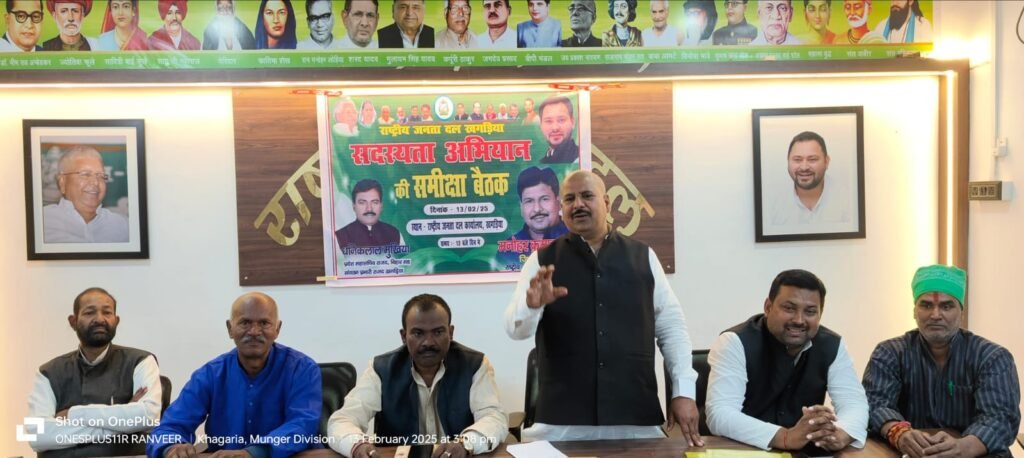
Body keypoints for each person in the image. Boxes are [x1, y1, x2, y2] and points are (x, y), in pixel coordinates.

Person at [504, 170, 703, 445]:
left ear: (606, 202)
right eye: (569, 199)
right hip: (561, 425)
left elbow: (672, 328)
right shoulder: (541, 261)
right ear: (561, 207)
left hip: (635, 420)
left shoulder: (643, 257)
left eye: (587, 196)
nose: (578, 204)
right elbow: (515, 331)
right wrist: (531, 306)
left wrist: (683, 391)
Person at [862, 265, 1021, 458]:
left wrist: (963, 447)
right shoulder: (890, 353)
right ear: (914, 311)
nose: (936, 315)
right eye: (926, 305)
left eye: (946, 306)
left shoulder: (991, 357)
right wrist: (899, 433)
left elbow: (1000, 418)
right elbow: (874, 403)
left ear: (961, 312)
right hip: (912, 454)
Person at [706, 269, 868, 454]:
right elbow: (720, 413)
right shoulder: (735, 342)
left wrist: (840, 433)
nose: (799, 320)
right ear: (768, 307)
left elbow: (854, 403)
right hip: (742, 451)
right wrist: (784, 436)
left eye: (810, 312)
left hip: (803, 453)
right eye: (789, 308)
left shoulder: (832, 345)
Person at [328, 294, 508, 458]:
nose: (428, 342)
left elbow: (494, 418)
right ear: (404, 336)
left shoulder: (474, 365)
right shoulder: (381, 369)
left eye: (438, 332)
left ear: (450, 332)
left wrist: (465, 444)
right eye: (418, 333)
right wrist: (358, 445)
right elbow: (342, 420)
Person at [147, 292, 322, 458]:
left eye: (264, 323)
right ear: (230, 328)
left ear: (277, 329)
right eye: (245, 323)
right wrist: (171, 447)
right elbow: (170, 426)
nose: (254, 331)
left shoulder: (302, 369)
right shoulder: (210, 374)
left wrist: (253, 453)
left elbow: (302, 425)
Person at [26, 287, 162, 456]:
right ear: (73, 321)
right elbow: (36, 435)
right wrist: (123, 422)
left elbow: (148, 417)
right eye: (90, 313)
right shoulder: (48, 372)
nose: (99, 319)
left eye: (107, 312)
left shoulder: (140, 361)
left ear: (116, 321)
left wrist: (73, 414)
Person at [43, 146, 129, 243]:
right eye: (85, 174)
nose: (95, 182)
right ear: (62, 183)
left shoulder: (124, 227)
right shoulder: (43, 222)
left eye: (100, 176)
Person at [768, 131, 851, 226]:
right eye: (797, 160)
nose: (804, 167)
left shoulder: (848, 201)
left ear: (826, 162)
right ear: (788, 161)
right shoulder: (772, 204)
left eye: (812, 159)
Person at [335, 179, 402, 248]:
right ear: (354, 206)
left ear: (381, 206)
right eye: (362, 203)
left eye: (374, 202)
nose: (369, 208)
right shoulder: (341, 237)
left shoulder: (394, 233)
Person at [509, 166, 568, 241]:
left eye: (544, 199)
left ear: (558, 202)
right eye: (529, 201)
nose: (537, 209)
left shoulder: (577, 239)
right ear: (521, 207)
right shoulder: (510, 245)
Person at [537, 96, 579, 164]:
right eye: (548, 121)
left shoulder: (580, 158)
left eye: (561, 120)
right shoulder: (543, 162)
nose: (555, 128)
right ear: (540, 125)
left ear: (573, 122)